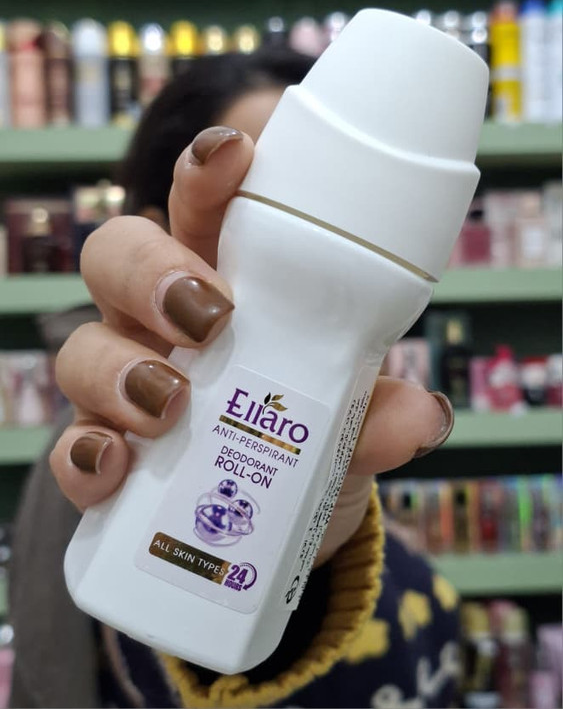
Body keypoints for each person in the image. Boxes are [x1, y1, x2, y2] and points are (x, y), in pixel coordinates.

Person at [9, 49, 459, 709]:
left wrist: (313, 560)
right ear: (160, 226)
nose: (331, 209)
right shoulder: (99, 448)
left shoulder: (374, 530)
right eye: (274, 181)